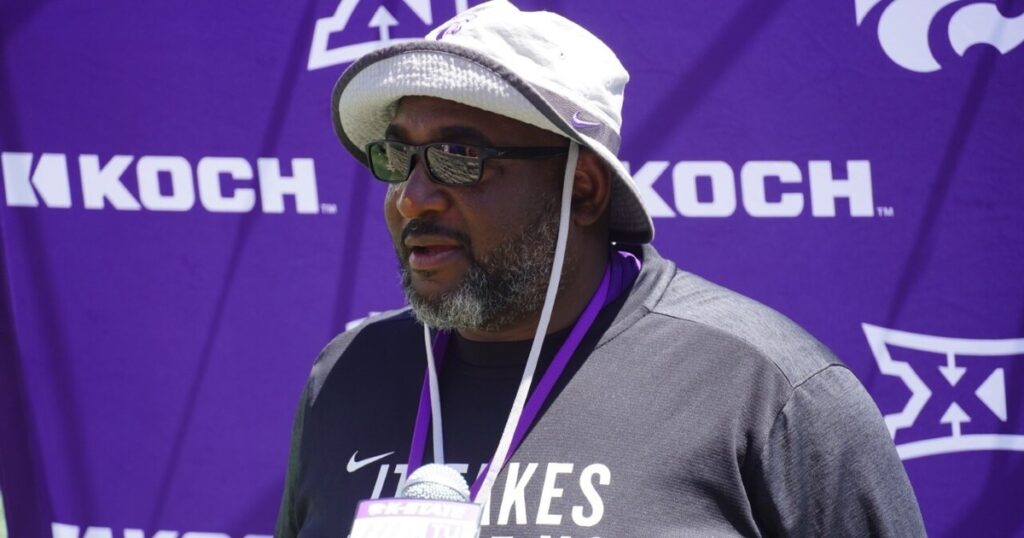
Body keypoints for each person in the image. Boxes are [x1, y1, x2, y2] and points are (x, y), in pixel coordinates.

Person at [276, 1, 926, 536]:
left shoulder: (765, 390)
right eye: (399, 157)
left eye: (456, 155)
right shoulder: (345, 376)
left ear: (582, 190)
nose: (411, 196)